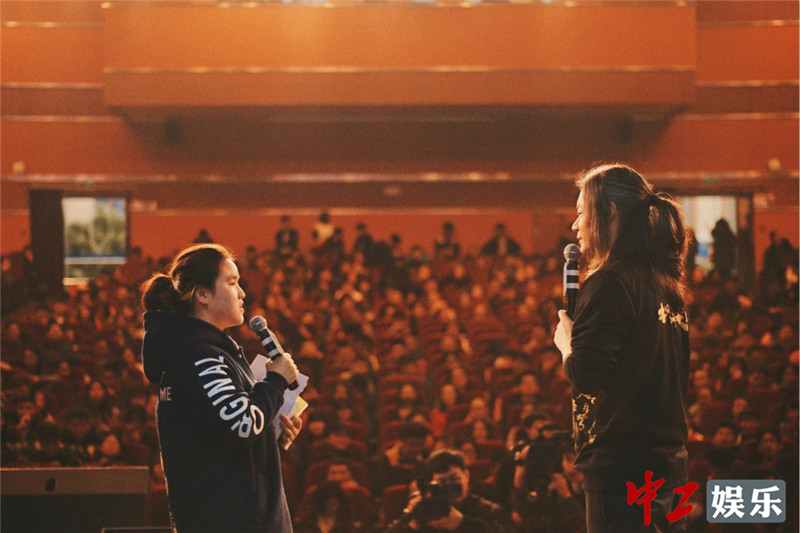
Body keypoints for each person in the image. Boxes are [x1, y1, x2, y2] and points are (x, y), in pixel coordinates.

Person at [554, 164, 691, 533]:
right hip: (668, 465)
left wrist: (566, 343)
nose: (575, 225)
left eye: (581, 212)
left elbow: (585, 375)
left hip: (621, 473)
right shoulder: (666, 285)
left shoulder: (609, 282)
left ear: (609, 212)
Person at [140, 243, 303, 533]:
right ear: (202, 295)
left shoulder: (207, 354)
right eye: (232, 282)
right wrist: (275, 381)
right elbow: (241, 424)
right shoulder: (200, 359)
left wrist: (271, 436)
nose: (242, 293)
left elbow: (220, 440)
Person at [385, 449, 515, 533]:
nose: (449, 486)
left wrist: (463, 523)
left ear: (466, 475)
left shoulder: (488, 511)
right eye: (442, 482)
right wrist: (411, 520)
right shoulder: (427, 509)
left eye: (454, 479)